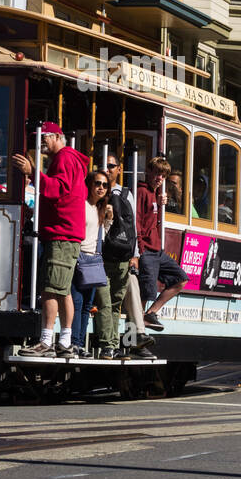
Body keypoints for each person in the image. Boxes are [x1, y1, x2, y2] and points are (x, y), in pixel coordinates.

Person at [12, 122, 88, 358]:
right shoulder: (70, 158)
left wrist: (31, 172)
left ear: (57, 136)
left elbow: (57, 189)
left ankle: (46, 340)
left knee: (50, 289)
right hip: (65, 233)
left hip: (61, 234)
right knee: (62, 290)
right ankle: (64, 342)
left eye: (43, 137)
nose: (40, 142)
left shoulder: (64, 158)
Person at [94, 153, 154, 359]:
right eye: (103, 165)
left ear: (119, 169)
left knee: (130, 283)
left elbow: (132, 226)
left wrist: (134, 254)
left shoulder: (125, 194)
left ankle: (133, 336)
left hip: (120, 254)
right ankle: (130, 337)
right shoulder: (95, 189)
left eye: (111, 165)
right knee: (108, 300)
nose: (107, 169)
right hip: (99, 255)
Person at [137, 156, 190, 332]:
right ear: (148, 172)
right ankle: (136, 332)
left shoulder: (156, 194)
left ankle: (151, 313)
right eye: (157, 173)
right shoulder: (142, 192)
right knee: (145, 292)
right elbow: (137, 222)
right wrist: (139, 250)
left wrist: (160, 205)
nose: (160, 178)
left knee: (180, 279)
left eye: (163, 175)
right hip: (146, 250)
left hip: (157, 250)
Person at [70, 171, 113, 358]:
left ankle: (79, 344)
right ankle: (73, 343)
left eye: (105, 185)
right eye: (97, 183)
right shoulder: (82, 205)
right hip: (79, 258)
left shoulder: (100, 209)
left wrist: (109, 219)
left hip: (93, 261)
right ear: (89, 184)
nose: (101, 188)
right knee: (77, 302)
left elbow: (102, 235)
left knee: (87, 304)